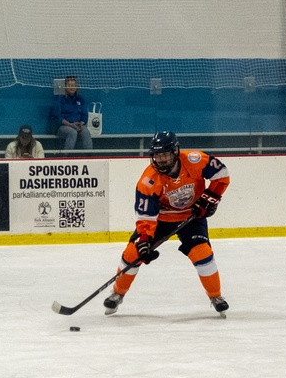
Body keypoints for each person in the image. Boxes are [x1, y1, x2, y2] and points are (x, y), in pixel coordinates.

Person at [103, 131, 231, 316]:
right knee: (133, 253)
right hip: (161, 219)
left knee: (202, 253)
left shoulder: (195, 160)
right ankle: (117, 294)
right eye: (157, 155)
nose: (161, 160)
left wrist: (210, 198)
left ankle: (216, 296)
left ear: (176, 152)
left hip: (191, 216)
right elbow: (146, 216)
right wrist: (145, 239)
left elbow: (222, 173)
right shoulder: (148, 181)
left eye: (165, 155)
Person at [52, 76, 93, 150]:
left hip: (78, 125)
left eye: (74, 85)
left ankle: (89, 156)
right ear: (65, 86)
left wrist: (81, 123)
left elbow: (84, 114)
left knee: (86, 132)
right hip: (63, 126)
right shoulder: (59, 98)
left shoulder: (80, 98)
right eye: (69, 85)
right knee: (72, 132)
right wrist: (70, 124)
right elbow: (57, 116)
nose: (72, 88)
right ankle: (67, 156)